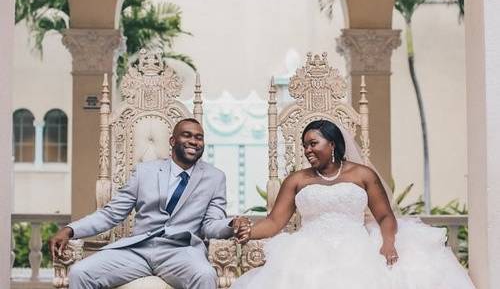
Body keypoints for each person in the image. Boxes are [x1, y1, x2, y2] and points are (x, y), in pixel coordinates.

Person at [231, 120, 475, 289]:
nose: (307, 150)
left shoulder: (362, 175)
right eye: (305, 145)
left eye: (313, 143)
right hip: (307, 250)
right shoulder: (296, 180)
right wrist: (249, 232)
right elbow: (274, 222)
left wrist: (388, 244)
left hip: (358, 247)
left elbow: (385, 217)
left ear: (333, 144)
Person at [50, 118, 247, 289]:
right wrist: (69, 230)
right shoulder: (145, 172)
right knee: (80, 273)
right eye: (187, 135)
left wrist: (231, 224)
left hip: (181, 252)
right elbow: (111, 214)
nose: (194, 141)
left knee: (205, 275)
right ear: (173, 140)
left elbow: (211, 224)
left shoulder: (215, 178)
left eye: (199, 137)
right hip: (138, 250)